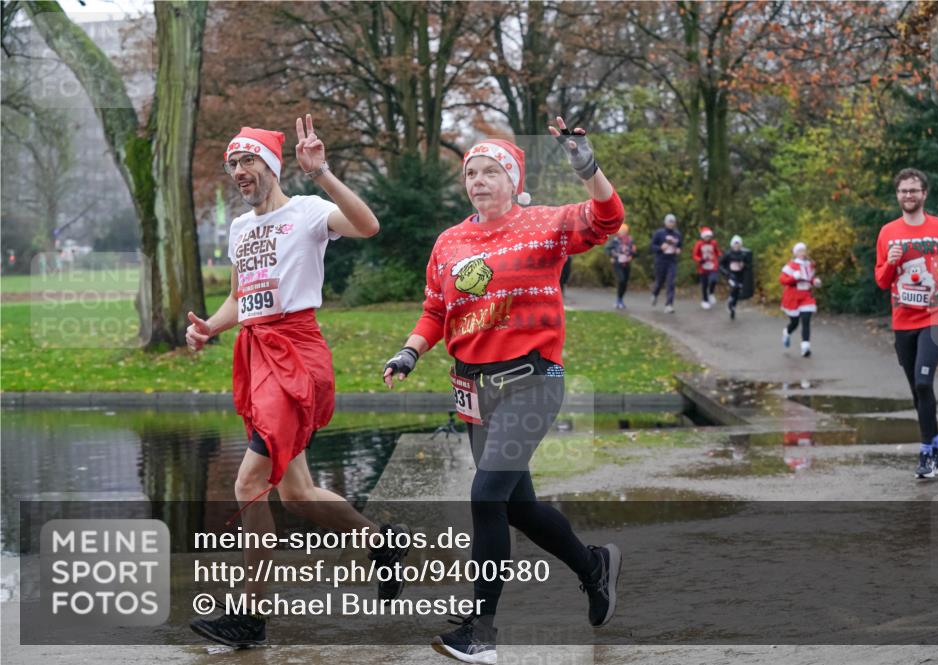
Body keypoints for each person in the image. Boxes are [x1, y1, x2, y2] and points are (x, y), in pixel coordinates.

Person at [382, 118, 624, 664]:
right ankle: (593, 566)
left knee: (485, 495)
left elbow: (608, 218)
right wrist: (410, 351)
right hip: (474, 392)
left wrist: (586, 164)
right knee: (517, 506)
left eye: (491, 171)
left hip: (532, 382)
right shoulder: (450, 242)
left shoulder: (546, 225)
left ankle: (481, 634)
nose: (479, 180)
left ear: (513, 180)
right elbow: (435, 310)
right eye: (472, 172)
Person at [185, 117, 409, 648]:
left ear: (272, 166)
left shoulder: (307, 212)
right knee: (299, 494)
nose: (240, 171)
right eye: (233, 163)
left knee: (247, 483)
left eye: (249, 161)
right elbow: (244, 296)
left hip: (297, 358)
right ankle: (381, 542)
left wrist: (324, 173)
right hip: (257, 353)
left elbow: (368, 225)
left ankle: (250, 615)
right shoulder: (240, 229)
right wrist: (210, 328)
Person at [875, 167, 938, 479]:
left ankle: (928, 452)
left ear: (924, 194)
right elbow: (882, 280)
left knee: (924, 382)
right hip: (903, 320)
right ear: (897, 195)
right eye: (903, 191)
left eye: (914, 190)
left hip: (935, 316)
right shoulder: (887, 232)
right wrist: (892, 260)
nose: (908, 195)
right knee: (916, 389)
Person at [779, 242, 821, 357]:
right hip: (793, 297)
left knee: (806, 320)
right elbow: (782, 280)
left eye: (803, 251)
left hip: (806, 297)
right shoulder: (790, 266)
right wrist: (793, 277)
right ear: (795, 253)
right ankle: (787, 332)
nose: (802, 253)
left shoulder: (809, 265)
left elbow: (809, 279)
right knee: (795, 322)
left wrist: (815, 282)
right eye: (799, 251)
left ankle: (805, 347)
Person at [650, 213, 683, 312]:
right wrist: (660, 248)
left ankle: (669, 305)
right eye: (669, 221)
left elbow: (680, 245)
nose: (671, 224)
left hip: (672, 261)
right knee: (660, 281)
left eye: (673, 222)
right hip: (660, 261)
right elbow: (652, 247)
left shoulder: (677, 234)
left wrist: (678, 250)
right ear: (665, 222)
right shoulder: (659, 233)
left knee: (671, 282)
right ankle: (655, 294)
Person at [719, 235, 751, 320]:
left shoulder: (743, 255)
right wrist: (726, 273)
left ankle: (733, 306)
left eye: (738, 244)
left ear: (741, 245)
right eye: (735, 244)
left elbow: (749, 266)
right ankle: (730, 301)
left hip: (740, 275)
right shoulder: (728, 254)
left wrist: (743, 265)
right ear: (732, 245)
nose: (736, 246)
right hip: (731, 275)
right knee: (734, 287)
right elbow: (721, 265)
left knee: (737, 292)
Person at [606, 223, 637, 309]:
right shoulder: (615, 240)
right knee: (621, 280)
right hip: (617, 263)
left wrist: (632, 255)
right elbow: (607, 248)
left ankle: (620, 299)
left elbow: (634, 251)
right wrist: (611, 256)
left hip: (626, 264)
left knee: (625, 283)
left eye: (625, 230)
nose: (623, 232)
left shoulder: (630, 240)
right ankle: (618, 300)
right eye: (622, 230)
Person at [692, 227, 721, 309]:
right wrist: (699, 259)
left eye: (709, 236)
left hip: (713, 265)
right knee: (704, 285)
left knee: (714, 280)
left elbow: (717, 251)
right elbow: (694, 255)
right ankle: (705, 300)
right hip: (703, 267)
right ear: (703, 237)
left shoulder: (714, 243)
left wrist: (720, 256)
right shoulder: (699, 244)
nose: (707, 238)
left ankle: (711, 293)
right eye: (706, 236)